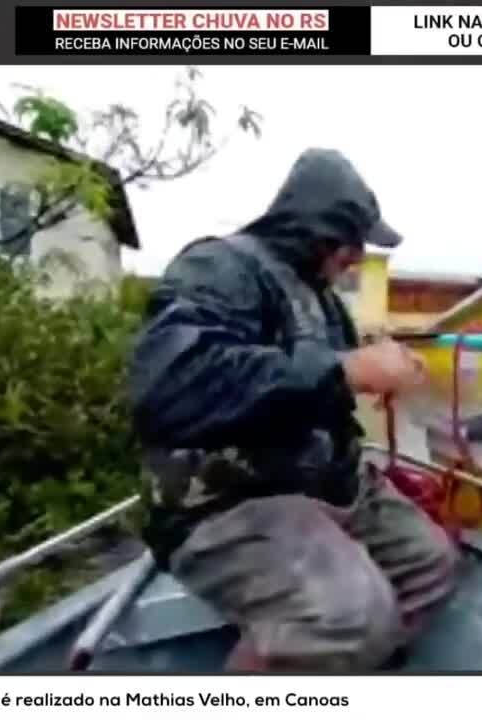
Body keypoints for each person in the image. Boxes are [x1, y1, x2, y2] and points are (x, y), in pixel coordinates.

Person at [126, 148, 459, 671]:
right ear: (317, 227)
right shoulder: (219, 267)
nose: (355, 256)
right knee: (347, 615)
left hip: (326, 485)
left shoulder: (321, 295)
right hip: (227, 500)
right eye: (350, 241)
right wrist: (345, 370)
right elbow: (173, 384)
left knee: (429, 564)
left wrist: (374, 375)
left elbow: (320, 380)